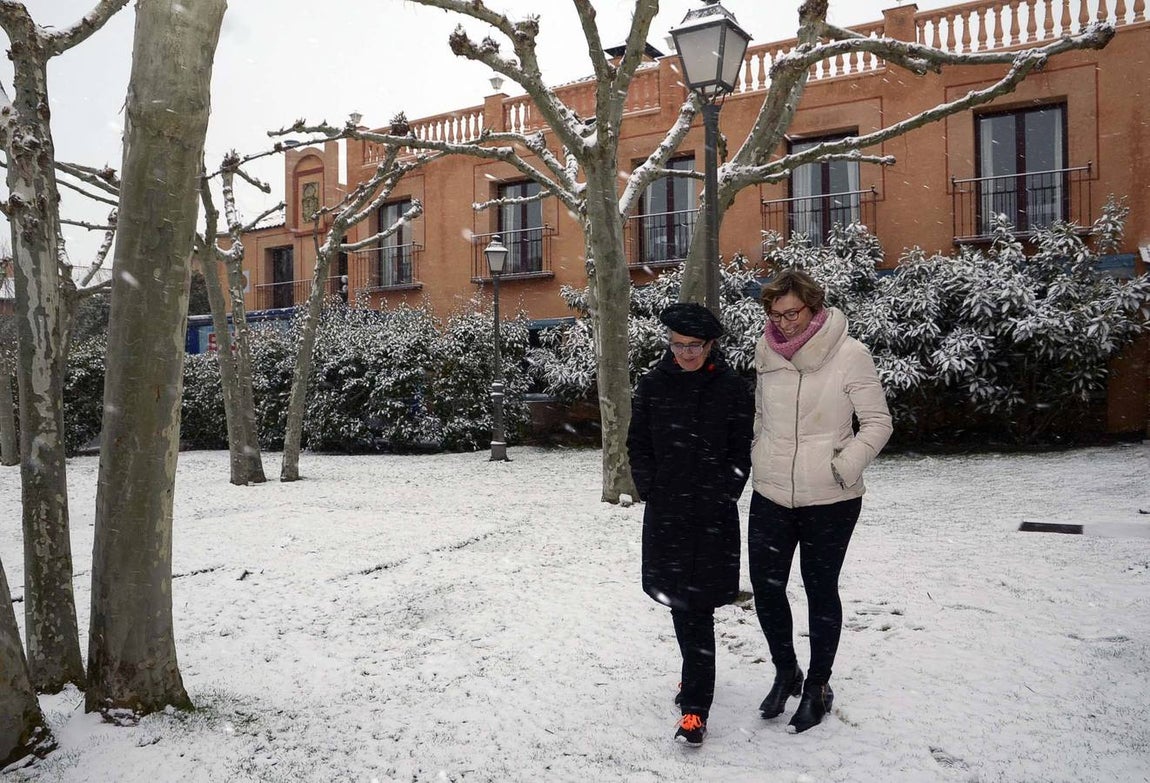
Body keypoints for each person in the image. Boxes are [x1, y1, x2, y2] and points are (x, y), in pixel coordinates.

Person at [749, 268, 892, 734]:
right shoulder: (765, 351)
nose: (785, 323)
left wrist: (842, 466)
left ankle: (818, 686)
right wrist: (758, 454)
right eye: (776, 314)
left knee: (819, 588)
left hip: (830, 498)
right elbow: (759, 416)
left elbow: (877, 423)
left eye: (793, 313)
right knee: (767, 587)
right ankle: (786, 671)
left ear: (813, 306)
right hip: (771, 492)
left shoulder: (851, 355)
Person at [627, 302, 754, 747]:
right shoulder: (652, 385)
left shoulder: (731, 387)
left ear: (711, 344)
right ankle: (693, 681)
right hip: (667, 513)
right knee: (681, 604)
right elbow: (637, 444)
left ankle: (696, 709)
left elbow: (742, 449)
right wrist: (652, 487)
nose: (685, 353)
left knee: (696, 608)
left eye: (694, 346)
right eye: (678, 344)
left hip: (713, 515)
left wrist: (726, 492)